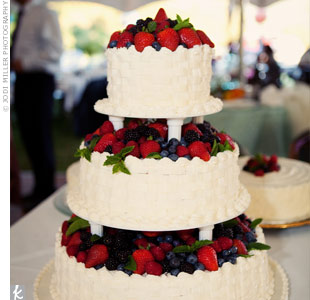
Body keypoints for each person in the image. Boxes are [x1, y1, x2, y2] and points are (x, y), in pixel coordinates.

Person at [11, 0, 63, 211]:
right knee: (28, 133)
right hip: (23, 80)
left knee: (39, 133)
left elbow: (55, 51)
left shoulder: (44, 13)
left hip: (39, 80)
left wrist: (25, 62)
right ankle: (38, 186)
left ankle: (45, 189)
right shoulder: (21, 13)